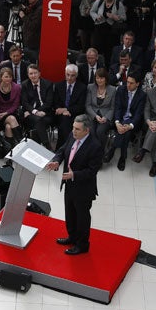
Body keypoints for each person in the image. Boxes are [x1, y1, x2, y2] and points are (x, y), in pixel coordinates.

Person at [46, 115, 103, 255]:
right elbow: (63, 149)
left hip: (83, 188)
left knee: (82, 218)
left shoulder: (95, 146)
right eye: (73, 127)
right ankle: (72, 237)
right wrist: (57, 161)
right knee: (70, 213)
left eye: (77, 129)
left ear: (86, 130)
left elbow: (92, 171)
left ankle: (82, 245)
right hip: (69, 184)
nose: (73, 131)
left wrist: (74, 175)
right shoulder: (73, 136)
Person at [0, 67, 22, 147]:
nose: (8, 79)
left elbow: (16, 105)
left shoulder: (17, 87)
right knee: (10, 123)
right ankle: (22, 143)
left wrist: (6, 113)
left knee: (9, 126)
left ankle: (10, 149)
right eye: (6, 77)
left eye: (10, 77)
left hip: (12, 113)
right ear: (1, 77)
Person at [85, 68, 116, 143]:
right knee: (91, 130)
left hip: (105, 117)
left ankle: (101, 151)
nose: (99, 80)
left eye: (101, 78)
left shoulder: (112, 89)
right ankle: (92, 150)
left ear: (106, 78)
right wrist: (95, 116)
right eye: (97, 78)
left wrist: (106, 117)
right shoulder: (90, 87)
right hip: (92, 115)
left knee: (100, 131)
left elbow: (112, 108)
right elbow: (88, 105)